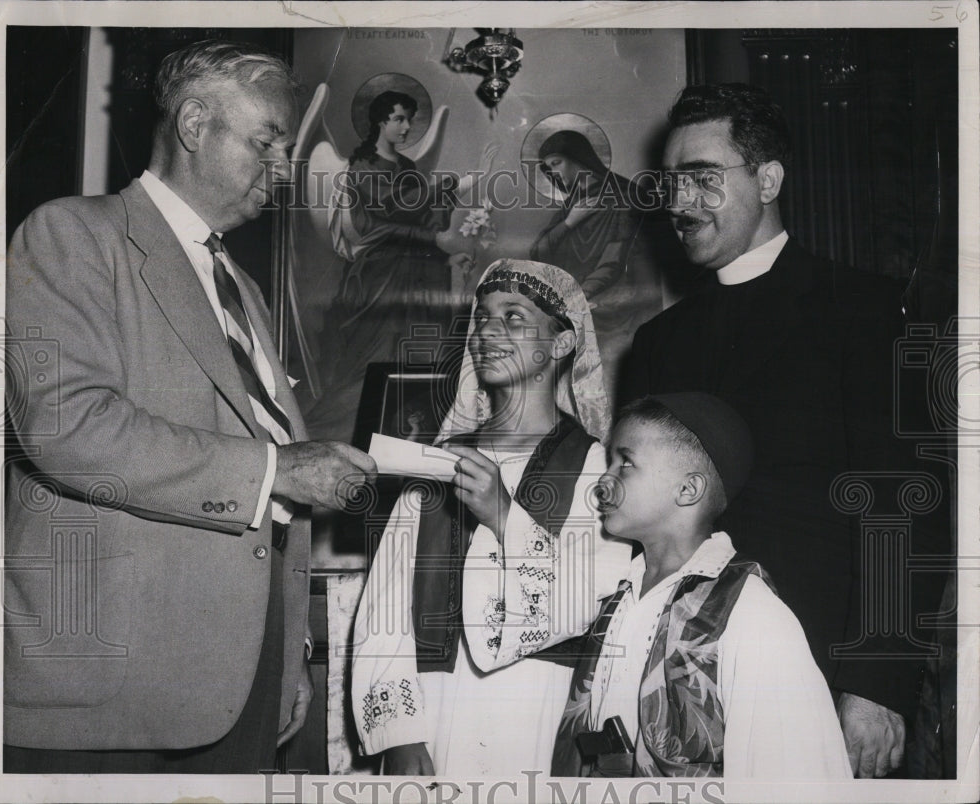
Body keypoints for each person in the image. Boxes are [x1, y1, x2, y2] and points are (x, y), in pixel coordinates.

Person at [3, 39, 375, 774]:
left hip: (241, 684)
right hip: (112, 690)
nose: (282, 170)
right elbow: (65, 426)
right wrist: (275, 469)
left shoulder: (243, 286)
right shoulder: (71, 235)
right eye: (266, 142)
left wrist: (288, 653)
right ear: (196, 124)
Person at [617, 83, 947, 778]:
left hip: (819, 667)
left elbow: (900, 502)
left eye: (703, 179)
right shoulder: (655, 343)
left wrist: (875, 683)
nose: (679, 202)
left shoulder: (858, 308)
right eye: (671, 182)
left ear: (768, 179)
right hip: (672, 681)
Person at [351, 259, 629, 776]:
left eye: (513, 317)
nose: (487, 332)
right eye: (480, 318)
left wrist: (505, 516)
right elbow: (384, 608)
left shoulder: (595, 466)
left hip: (537, 709)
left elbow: (594, 600)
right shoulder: (434, 464)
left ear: (562, 344)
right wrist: (398, 733)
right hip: (431, 714)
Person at [552, 393, 852, 779]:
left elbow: (795, 780)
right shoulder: (615, 596)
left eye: (625, 462)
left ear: (688, 490)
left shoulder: (751, 614)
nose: (604, 480)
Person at [306, 90, 471, 439]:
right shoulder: (362, 167)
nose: (407, 127)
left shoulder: (408, 169)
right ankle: (342, 433)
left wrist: (444, 251)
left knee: (420, 353)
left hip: (419, 273)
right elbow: (380, 219)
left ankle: (405, 435)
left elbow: (425, 219)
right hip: (379, 274)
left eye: (409, 119)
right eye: (399, 118)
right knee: (373, 359)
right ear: (380, 122)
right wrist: (449, 186)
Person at [530, 130, 662, 383]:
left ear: (578, 157)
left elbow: (614, 262)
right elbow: (539, 251)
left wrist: (575, 297)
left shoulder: (623, 196)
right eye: (548, 168)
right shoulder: (573, 204)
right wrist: (569, 223)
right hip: (580, 306)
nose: (553, 172)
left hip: (618, 309)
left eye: (556, 163)